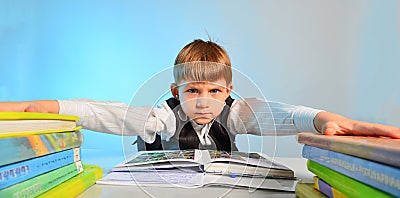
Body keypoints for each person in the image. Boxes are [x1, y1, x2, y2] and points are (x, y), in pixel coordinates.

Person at [0, 39, 399, 151]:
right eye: (193, 90)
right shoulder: (164, 117)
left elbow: (280, 113)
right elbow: (103, 113)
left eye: (214, 90)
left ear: (228, 91)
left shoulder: (235, 112)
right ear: (176, 91)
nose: (204, 100)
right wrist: (35, 108)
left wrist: (323, 119)